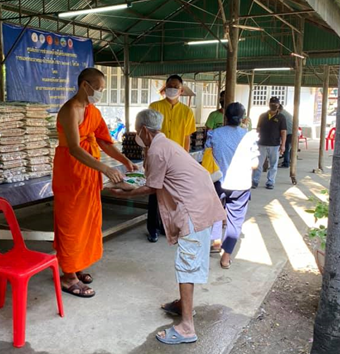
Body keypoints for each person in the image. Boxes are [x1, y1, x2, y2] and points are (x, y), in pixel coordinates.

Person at [111, 109, 225, 345]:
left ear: (143, 130)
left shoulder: (157, 150)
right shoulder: (164, 145)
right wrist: (130, 186)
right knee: (190, 260)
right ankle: (184, 304)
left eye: (136, 129)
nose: (136, 134)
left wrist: (122, 192)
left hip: (193, 208)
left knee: (187, 264)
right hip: (199, 202)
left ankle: (186, 328)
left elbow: (152, 187)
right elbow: (154, 180)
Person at [53, 68, 137, 298]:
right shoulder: (70, 110)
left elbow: (104, 142)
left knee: (87, 221)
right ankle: (68, 277)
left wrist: (125, 161)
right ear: (84, 85)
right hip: (70, 173)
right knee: (71, 222)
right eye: (98, 89)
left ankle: (77, 265)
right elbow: (74, 149)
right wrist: (106, 169)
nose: (99, 93)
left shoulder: (93, 111)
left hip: (89, 176)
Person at [205, 103, 259, 268]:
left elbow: (207, 152)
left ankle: (215, 242)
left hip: (218, 181)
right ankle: (226, 258)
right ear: (243, 118)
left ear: (225, 117)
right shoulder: (248, 136)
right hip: (240, 185)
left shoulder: (214, 134)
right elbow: (255, 164)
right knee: (235, 221)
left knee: (215, 211)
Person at [145, 74, 197, 243]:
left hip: (176, 160)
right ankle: (152, 228)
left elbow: (187, 137)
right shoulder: (154, 107)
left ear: (181, 90)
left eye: (175, 86)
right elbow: (146, 134)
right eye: (169, 86)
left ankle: (168, 227)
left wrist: (186, 159)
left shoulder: (187, 111)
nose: (172, 89)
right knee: (154, 193)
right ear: (164, 88)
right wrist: (147, 156)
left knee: (174, 196)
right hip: (157, 157)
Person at [252, 97, 287, 190]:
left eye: (275, 104)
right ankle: (255, 181)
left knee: (273, 165)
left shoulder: (281, 117)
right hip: (261, 144)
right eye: (272, 104)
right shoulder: (262, 116)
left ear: (278, 105)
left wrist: (283, 145)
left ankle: (270, 182)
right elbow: (258, 129)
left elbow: (283, 132)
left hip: (274, 145)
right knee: (258, 164)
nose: (274, 106)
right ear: (269, 104)